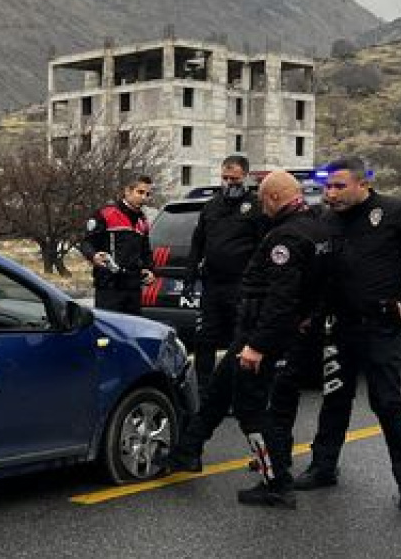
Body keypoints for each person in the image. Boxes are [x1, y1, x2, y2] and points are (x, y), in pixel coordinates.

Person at [166, 170, 330, 508]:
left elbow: (280, 298)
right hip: (260, 332)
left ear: (272, 198)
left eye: (262, 200)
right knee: (218, 392)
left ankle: (277, 481)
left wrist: (257, 345)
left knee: (250, 408)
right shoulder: (316, 227)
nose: (259, 207)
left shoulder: (285, 237)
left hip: (262, 336)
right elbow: (318, 286)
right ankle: (187, 453)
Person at [291, 156, 401, 510]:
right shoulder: (327, 221)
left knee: (388, 403)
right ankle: (323, 466)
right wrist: (307, 312)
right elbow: (319, 272)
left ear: (363, 184)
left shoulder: (396, 211)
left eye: (339, 186)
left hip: (380, 325)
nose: (331, 193)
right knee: (335, 399)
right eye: (328, 187)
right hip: (339, 325)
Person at [186, 155, 267, 394]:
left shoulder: (255, 206)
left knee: (238, 339)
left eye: (235, 179)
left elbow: (263, 245)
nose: (229, 183)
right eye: (225, 178)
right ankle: (204, 388)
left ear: (245, 177)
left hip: (241, 286)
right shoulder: (212, 205)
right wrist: (190, 275)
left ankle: (234, 389)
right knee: (205, 338)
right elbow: (198, 242)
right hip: (213, 284)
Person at [80, 174, 156, 315]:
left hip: (133, 288)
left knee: (131, 332)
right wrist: (94, 256)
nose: (144, 197)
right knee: (108, 333)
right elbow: (86, 242)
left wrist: (149, 270)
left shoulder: (142, 221)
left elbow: (146, 252)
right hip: (109, 286)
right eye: (140, 192)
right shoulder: (106, 213)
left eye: (148, 194)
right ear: (127, 191)